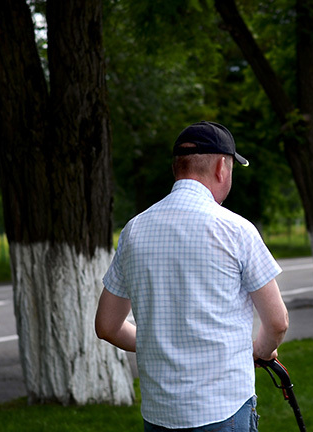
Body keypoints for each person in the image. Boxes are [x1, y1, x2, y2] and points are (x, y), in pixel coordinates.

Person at [95, 121, 289, 432]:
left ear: (177, 168)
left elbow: (107, 326)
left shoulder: (134, 231)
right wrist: (258, 351)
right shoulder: (236, 230)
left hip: (160, 413)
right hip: (224, 408)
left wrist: (157, 343)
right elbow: (277, 322)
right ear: (221, 168)